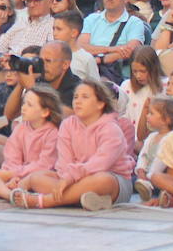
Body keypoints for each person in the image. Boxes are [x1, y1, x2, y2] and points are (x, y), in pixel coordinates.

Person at [10, 81, 132, 210]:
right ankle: (85, 198)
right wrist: (67, 178)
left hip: (110, 179)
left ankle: (45, 201)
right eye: (75, 97)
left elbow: (100, 164)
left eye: (85, 97)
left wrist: (70, 178)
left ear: (100, 104)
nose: (78, 101)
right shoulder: (67, 125)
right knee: (37, 177)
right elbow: (64, 163)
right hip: (72, 179)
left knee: (103, 180)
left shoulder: (111, 128)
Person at [0, 85, 61, 201]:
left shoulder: (53, 133)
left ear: (45, 112)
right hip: (14, 175)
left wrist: (16, 175)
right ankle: (9, 195)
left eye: (29, 105)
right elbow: (11, 157)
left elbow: (45, 165)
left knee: (36, 180)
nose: (23, 108)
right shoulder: (20, 128)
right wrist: (12, 175)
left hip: (37, 178)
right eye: (24, 103)